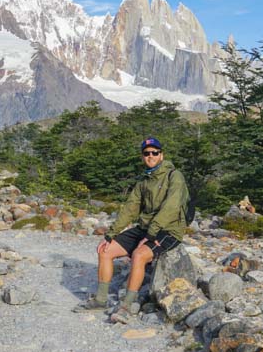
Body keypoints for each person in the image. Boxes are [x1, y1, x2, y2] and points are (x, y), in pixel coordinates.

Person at [74, 136, 189, 323]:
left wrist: (151, 234)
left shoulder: (174, 176)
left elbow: (172, 206)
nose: (150, 156)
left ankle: (127, 305)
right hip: (145, 227)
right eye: (146, 153)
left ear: (161, 155)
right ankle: (100, 299)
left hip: (168, 229)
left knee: (139, 255)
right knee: (105, 250)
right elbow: (130, 208)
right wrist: (111, 234)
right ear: (143, 156)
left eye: (154, 152)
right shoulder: (144, 180)